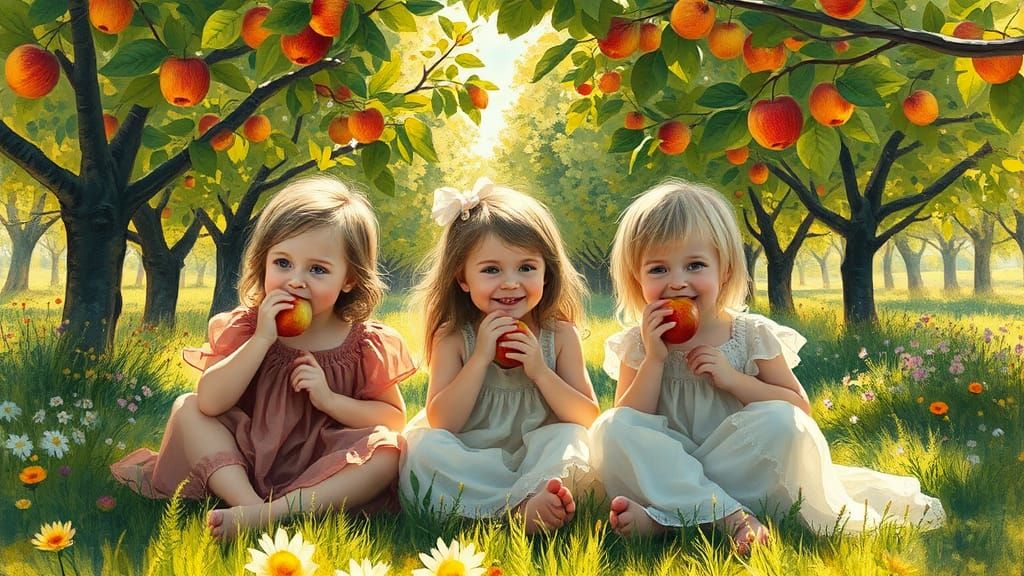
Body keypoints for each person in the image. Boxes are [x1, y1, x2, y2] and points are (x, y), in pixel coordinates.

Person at [591, 178, 944, 552]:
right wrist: (654, 359)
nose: (677, 282)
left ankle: (671, 517)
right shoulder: (638, 342)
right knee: (609, 428)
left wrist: (733, 381)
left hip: (738, 464)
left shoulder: (749, 334)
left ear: (724, 270)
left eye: (694, 265)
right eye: (658, 270)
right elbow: (632, 422)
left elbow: (797, 408)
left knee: (781, 423)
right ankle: (728, 517)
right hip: (672, 464)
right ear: (636, 278)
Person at [111, 175, 416, 539]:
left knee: (389, 451)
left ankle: (272, 514)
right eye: (283, 263)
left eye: (317, 269)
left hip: (321, 465)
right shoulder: (247, 327)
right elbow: (210, 402)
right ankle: (249, 506)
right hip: (242, 458)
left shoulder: (364, 343)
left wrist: (330, 400)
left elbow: (393, 419)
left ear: (349, 279)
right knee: (187, 407)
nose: (295, 281)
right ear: (264, 261)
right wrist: (261, 340)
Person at [398, 177, 599, 534]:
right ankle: (517, 509)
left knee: (571, 441)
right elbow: (443, 421)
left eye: (526, 268)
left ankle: (532, 500)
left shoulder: (559, 335)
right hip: (472, 460)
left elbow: (586, 416)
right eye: (492, 270)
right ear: (462, 278)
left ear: (546, 272)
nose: (510, 282)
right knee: (424, 449)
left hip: (534, 460)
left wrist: (539, 371)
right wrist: (478, 360)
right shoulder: (455, 337)